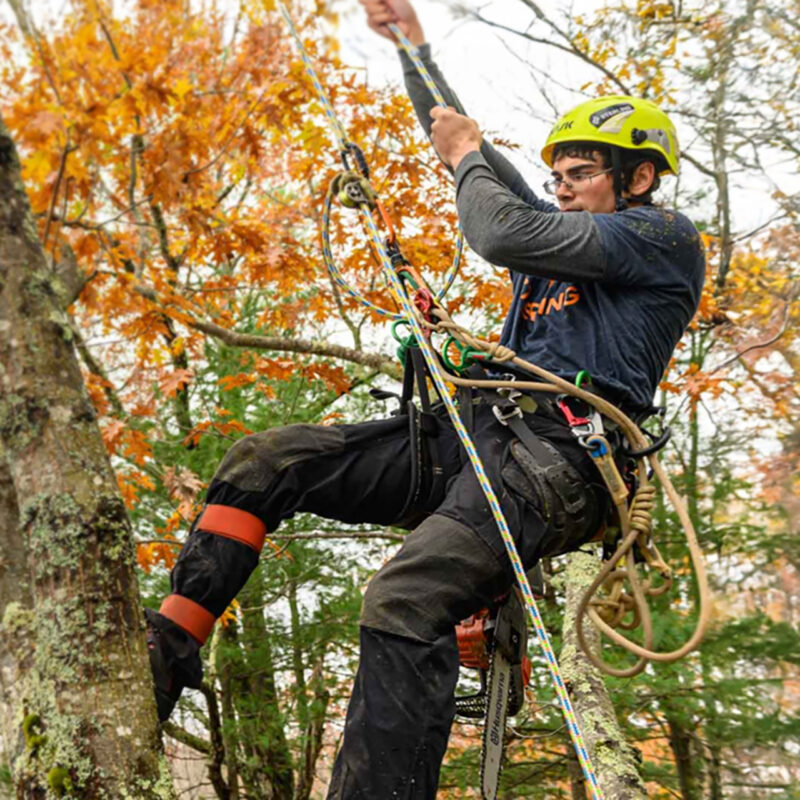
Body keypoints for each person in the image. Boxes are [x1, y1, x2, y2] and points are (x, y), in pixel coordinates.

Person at [145, 0, 705, 796]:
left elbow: (496, 223)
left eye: (582, 174)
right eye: (558, 176)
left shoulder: (659, 238)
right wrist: (413, 46)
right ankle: (164, 660)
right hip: (476, 435)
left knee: (405, 597)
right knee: (267, 462)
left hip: (557, 460)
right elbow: (462, 151)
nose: (563, 189)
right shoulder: (565, 234)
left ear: (640, 176)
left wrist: (472, 154)